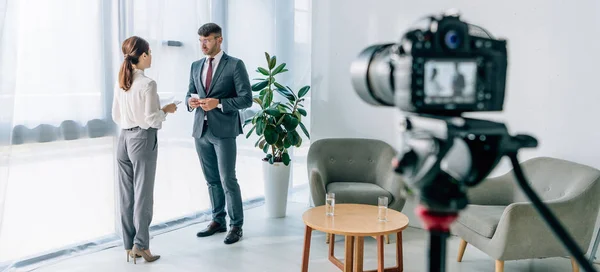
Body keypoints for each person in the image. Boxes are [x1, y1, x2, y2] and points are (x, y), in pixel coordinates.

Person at [112, 36, 177, 263]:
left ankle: (129, 245)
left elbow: (116, 116)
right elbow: (152, 120)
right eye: (149, 53)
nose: (151, 57)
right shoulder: (148, 84)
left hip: (124, 139)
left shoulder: (122, 81)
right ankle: (142, 246)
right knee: (143, 196)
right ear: (142, 56)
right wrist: (166, 110)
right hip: (142, 139)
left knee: (126, 195)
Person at [185, 23, 252, 245]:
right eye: (201, 40)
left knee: (227, 179)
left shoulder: (234, 65)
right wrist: (190, 102)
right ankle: (218, 220)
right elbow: (189, 93)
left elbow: (246, 99)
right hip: (201, 130)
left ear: (219, 40)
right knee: (211, 180)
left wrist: (219, 103)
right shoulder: (195, 66)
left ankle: (236, 225)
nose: (203, 44)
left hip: (224, 131)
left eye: (208, 40)